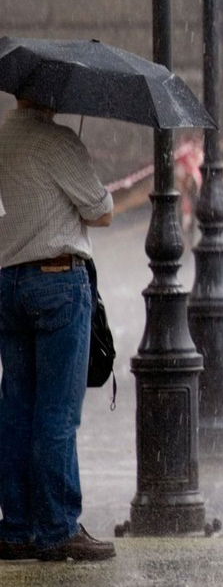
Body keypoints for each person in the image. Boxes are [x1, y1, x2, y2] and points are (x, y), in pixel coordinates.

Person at [0, 98, 116, 562]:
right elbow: (102, 210)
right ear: (49, 95)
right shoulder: (59, 141)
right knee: (57, 413)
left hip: (7, 285)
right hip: (56, 283)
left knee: (16, 408)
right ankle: (58, 528)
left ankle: (17, 527)